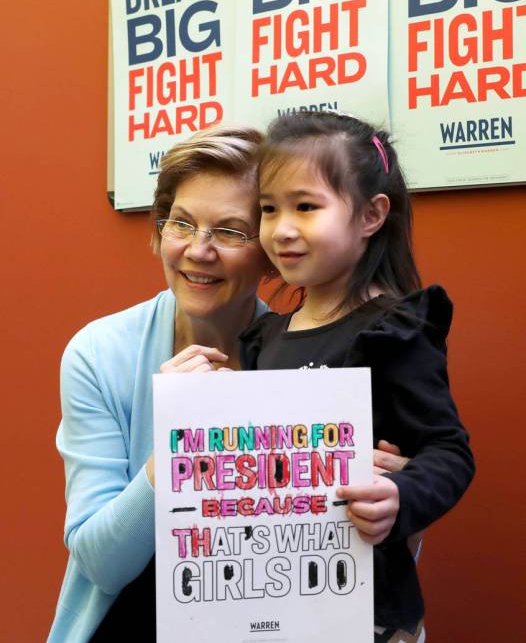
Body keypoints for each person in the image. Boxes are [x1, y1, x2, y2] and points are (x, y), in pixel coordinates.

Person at [239, 111, 475, 642]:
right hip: (272, 600)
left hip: (368, 613)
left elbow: (449, 451)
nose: (281, 229)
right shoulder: (264, 336)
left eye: (306, 206)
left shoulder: (395, 329)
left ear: (371, 215)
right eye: (268, 209)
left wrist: (400, 493)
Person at [48, 124, 271, 642]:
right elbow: (100, 563)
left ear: (271, 248)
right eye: (182, 223)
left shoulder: (304, 362)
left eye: (232, 231)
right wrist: (176, 443)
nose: (199, 249)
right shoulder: (98, 354)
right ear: (158, 231)